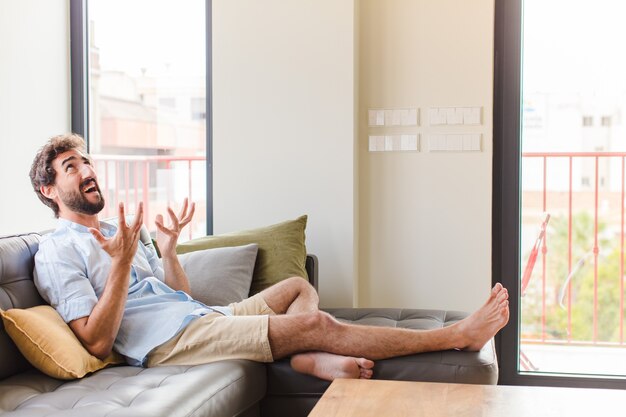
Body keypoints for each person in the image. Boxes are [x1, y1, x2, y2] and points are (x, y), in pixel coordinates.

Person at [29, 133, 509, 382]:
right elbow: (95, 341)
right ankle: (455, 336)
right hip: (166, 345)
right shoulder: (56, 251)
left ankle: (307, 361)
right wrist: (118, 265)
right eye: (72, 167)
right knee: (317, 321)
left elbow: (178, 295)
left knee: (297, 288)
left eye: (87, 161)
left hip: (198, 318)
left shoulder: (118, 232)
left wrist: (169, 251)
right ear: (49, 190)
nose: (87, 171)